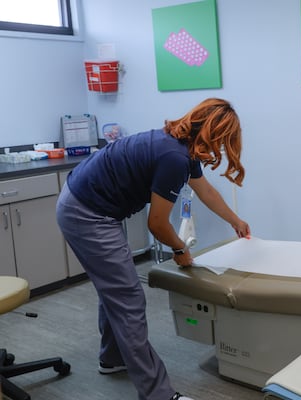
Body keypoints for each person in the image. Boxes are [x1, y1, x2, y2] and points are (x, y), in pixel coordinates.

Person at [56, 98, 250, 400]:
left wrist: (235, 221)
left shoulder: (183, 145)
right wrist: (179, 249)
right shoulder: (173, 158)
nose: (222, 150)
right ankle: (158, 394)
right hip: (87, 213)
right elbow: (157, 224)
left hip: (84, 199)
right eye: (223, 142)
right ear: (212, 134)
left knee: (115, 290)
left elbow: (206, 191)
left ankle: (111, 358)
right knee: (129, 298)